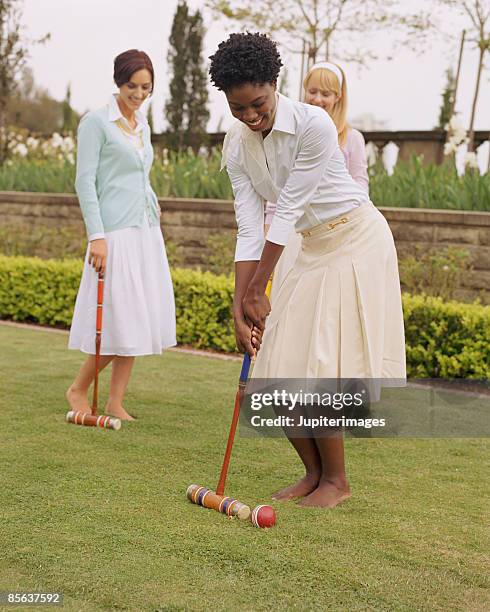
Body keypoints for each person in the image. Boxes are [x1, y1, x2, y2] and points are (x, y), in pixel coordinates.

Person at [211, 33, 406, 508]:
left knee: (319, 363)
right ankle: (312, 472)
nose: (250, 117)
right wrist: (241, 307)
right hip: (306, 244)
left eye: (257, 103)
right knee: (277, 361)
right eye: (238, 109)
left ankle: (337, 481)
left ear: (274, 84)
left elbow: (290, 207)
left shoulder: (314, 125)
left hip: (353, 240)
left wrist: (259, 291)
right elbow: (249, 227)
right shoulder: (237, 145)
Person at [67, 49, 176, 421]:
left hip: (145, 230)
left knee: (139, 315)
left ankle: (115, 401)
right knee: (122, 316)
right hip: (113, 233)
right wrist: (96, 236)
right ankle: (78, 389)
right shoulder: (95, 123)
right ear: (119, 82)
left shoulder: (141, 124)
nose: (140, 93)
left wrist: (152, 207)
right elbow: (85, 182)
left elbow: (139, 176)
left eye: (146, 87)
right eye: (133, 86)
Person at [266, 61, 369, 301]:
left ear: (338, 97)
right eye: (313, 92)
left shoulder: (351, 139)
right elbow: (279, 189)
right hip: (295, 231)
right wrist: (267, 235)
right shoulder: (291, 134)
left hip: (337, 233)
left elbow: (360, 184)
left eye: (326, 93)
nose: (318, 99)